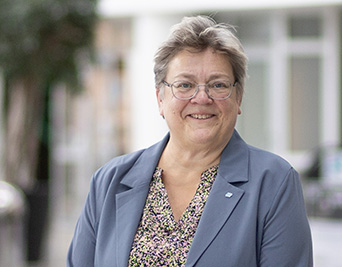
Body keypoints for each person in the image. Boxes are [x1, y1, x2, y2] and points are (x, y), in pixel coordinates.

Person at [67, 15, 313, 267]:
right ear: (160, 98)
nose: (202, 97)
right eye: (185, 85)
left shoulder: (274, 182)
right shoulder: (109, 181)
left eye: (218, 85)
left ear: (238, 98)